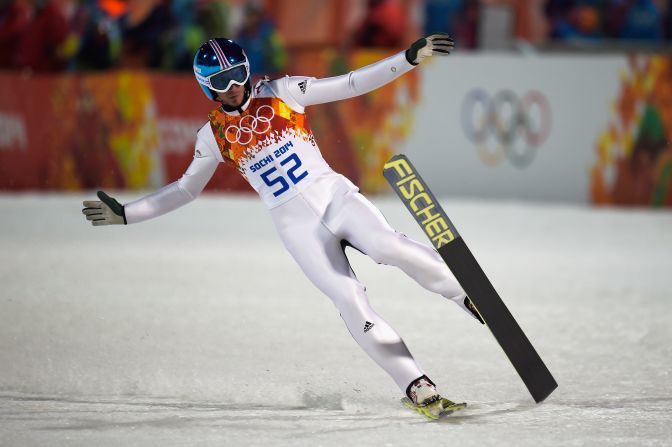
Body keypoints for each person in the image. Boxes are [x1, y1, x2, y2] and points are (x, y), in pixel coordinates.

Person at [82, 34, 484, 419]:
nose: (235, 85)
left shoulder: (283, 92)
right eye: (222, 81)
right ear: (206, 87)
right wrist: (127, 214)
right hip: (299, 231)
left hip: (336, 198)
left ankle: (465, 294)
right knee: (349, 299)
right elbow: (186, 190)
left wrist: (407, 59)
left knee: (386, 247)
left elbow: (349, 84)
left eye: (239, 73)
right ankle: (416, 385)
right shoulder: (213, 136)